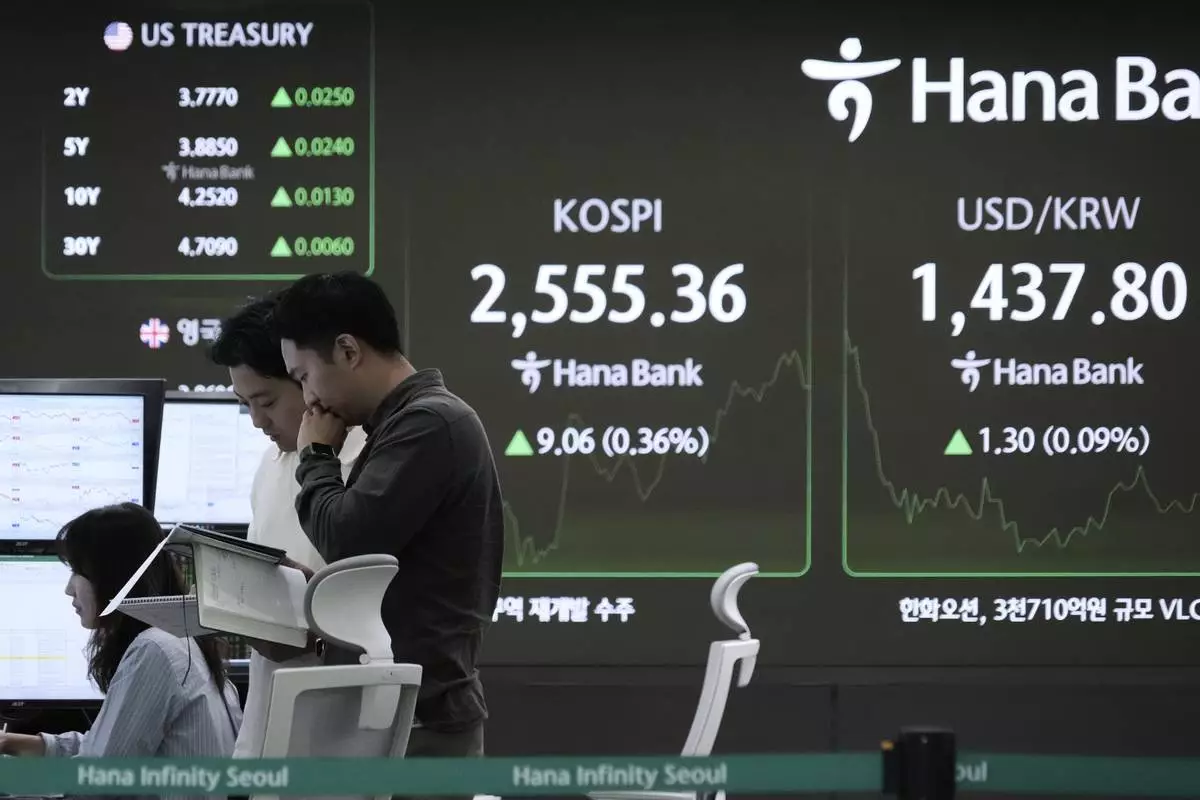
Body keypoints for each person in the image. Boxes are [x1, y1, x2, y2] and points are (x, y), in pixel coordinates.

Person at [272, 271, 504, 763]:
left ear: (349, 351)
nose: (309, 399)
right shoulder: (404, 423)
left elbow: (346, 537)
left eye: (304, 377)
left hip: (419, 721)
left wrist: (315, 456)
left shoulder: (428, 423)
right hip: (400, 711)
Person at [208, 295, 366, 761]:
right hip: (266, 727)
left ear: (306, 378)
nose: (257, 421)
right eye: (245, 405)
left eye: (267, 401)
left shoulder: (369, 460)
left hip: (341, 733)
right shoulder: (271, 463)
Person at [0, 503, 242, 769]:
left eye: (77, 572)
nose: (69, 589)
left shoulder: (156, 650)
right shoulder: (180, 640)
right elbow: (102, 747)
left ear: (111, 575)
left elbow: (102, 778)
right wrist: (10, 742)